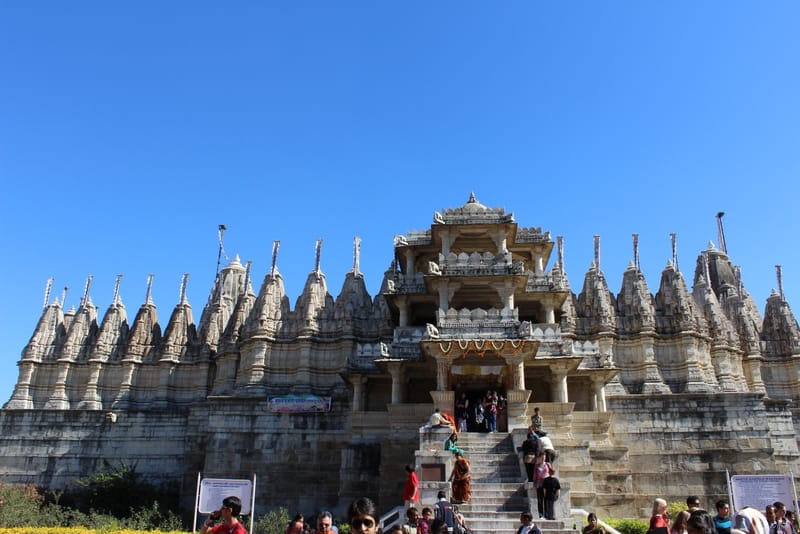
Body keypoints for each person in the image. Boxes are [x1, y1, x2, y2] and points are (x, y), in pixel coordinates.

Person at [533, 453, 551, 519]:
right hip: (539, 484)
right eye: (542, 457)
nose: (543, 459)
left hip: (547, 484)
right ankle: (540, 515)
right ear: (540, 458)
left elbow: (551, 473)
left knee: (546, 500)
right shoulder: (537, 465)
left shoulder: (548, 464)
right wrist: (534, 483)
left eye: (544, 457)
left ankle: (547, 514)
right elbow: (535, 475)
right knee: (540, 500)